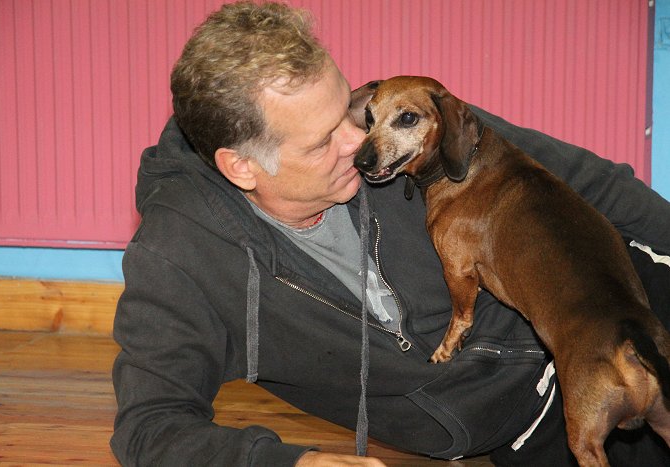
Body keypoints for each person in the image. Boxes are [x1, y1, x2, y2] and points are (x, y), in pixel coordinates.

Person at [110, 2, 670, 466]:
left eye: (351, 111)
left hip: (628, 308)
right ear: (242, 167)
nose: (361, 142)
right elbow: (150, 426)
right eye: (321, 141)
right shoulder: (180, 256)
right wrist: (294, 463)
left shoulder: (412, 123)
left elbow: (597, 184)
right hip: (524, 424)